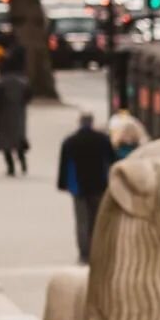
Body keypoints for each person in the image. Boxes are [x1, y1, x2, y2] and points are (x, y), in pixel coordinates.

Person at [56, 111, 115, 262]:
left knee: (82, 220)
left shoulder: (70, 141)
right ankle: (96, 250)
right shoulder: (102, 139)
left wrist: (63, 184)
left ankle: (84, 253)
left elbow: (64, 166)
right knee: (96, 219)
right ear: (92, 122)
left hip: (78, 187)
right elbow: (112, 160)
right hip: (99, 186)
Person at [0, 55, 29, 177]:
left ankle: (10, 166)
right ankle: (22, 161)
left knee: (6, 142)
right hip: (18, 113)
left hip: (4, 115)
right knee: (18, 139)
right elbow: (28, 95)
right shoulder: (22, 82)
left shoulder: (2, 83)